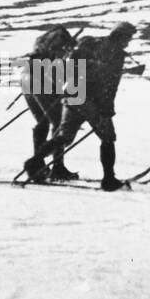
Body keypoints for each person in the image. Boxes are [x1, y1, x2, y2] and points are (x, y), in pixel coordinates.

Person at [23, 21, 137, 191]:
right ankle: (109, 179)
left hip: (73, 94)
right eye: (127, 38)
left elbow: (68, 62)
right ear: (121, 36)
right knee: (108, 137)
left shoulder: (89, 41)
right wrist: (106, 111)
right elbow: (110, 87)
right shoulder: (116, 55)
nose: (127, 42)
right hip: (89, 99)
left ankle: (34, 162)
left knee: (64, 135)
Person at [20, 25, 79, 181]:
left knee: (43, 121)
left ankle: (39, 166)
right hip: (39, 76)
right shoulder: (61, 40)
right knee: (59, 121)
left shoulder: (43, 40)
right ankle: (56, 168)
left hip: (27, 75)